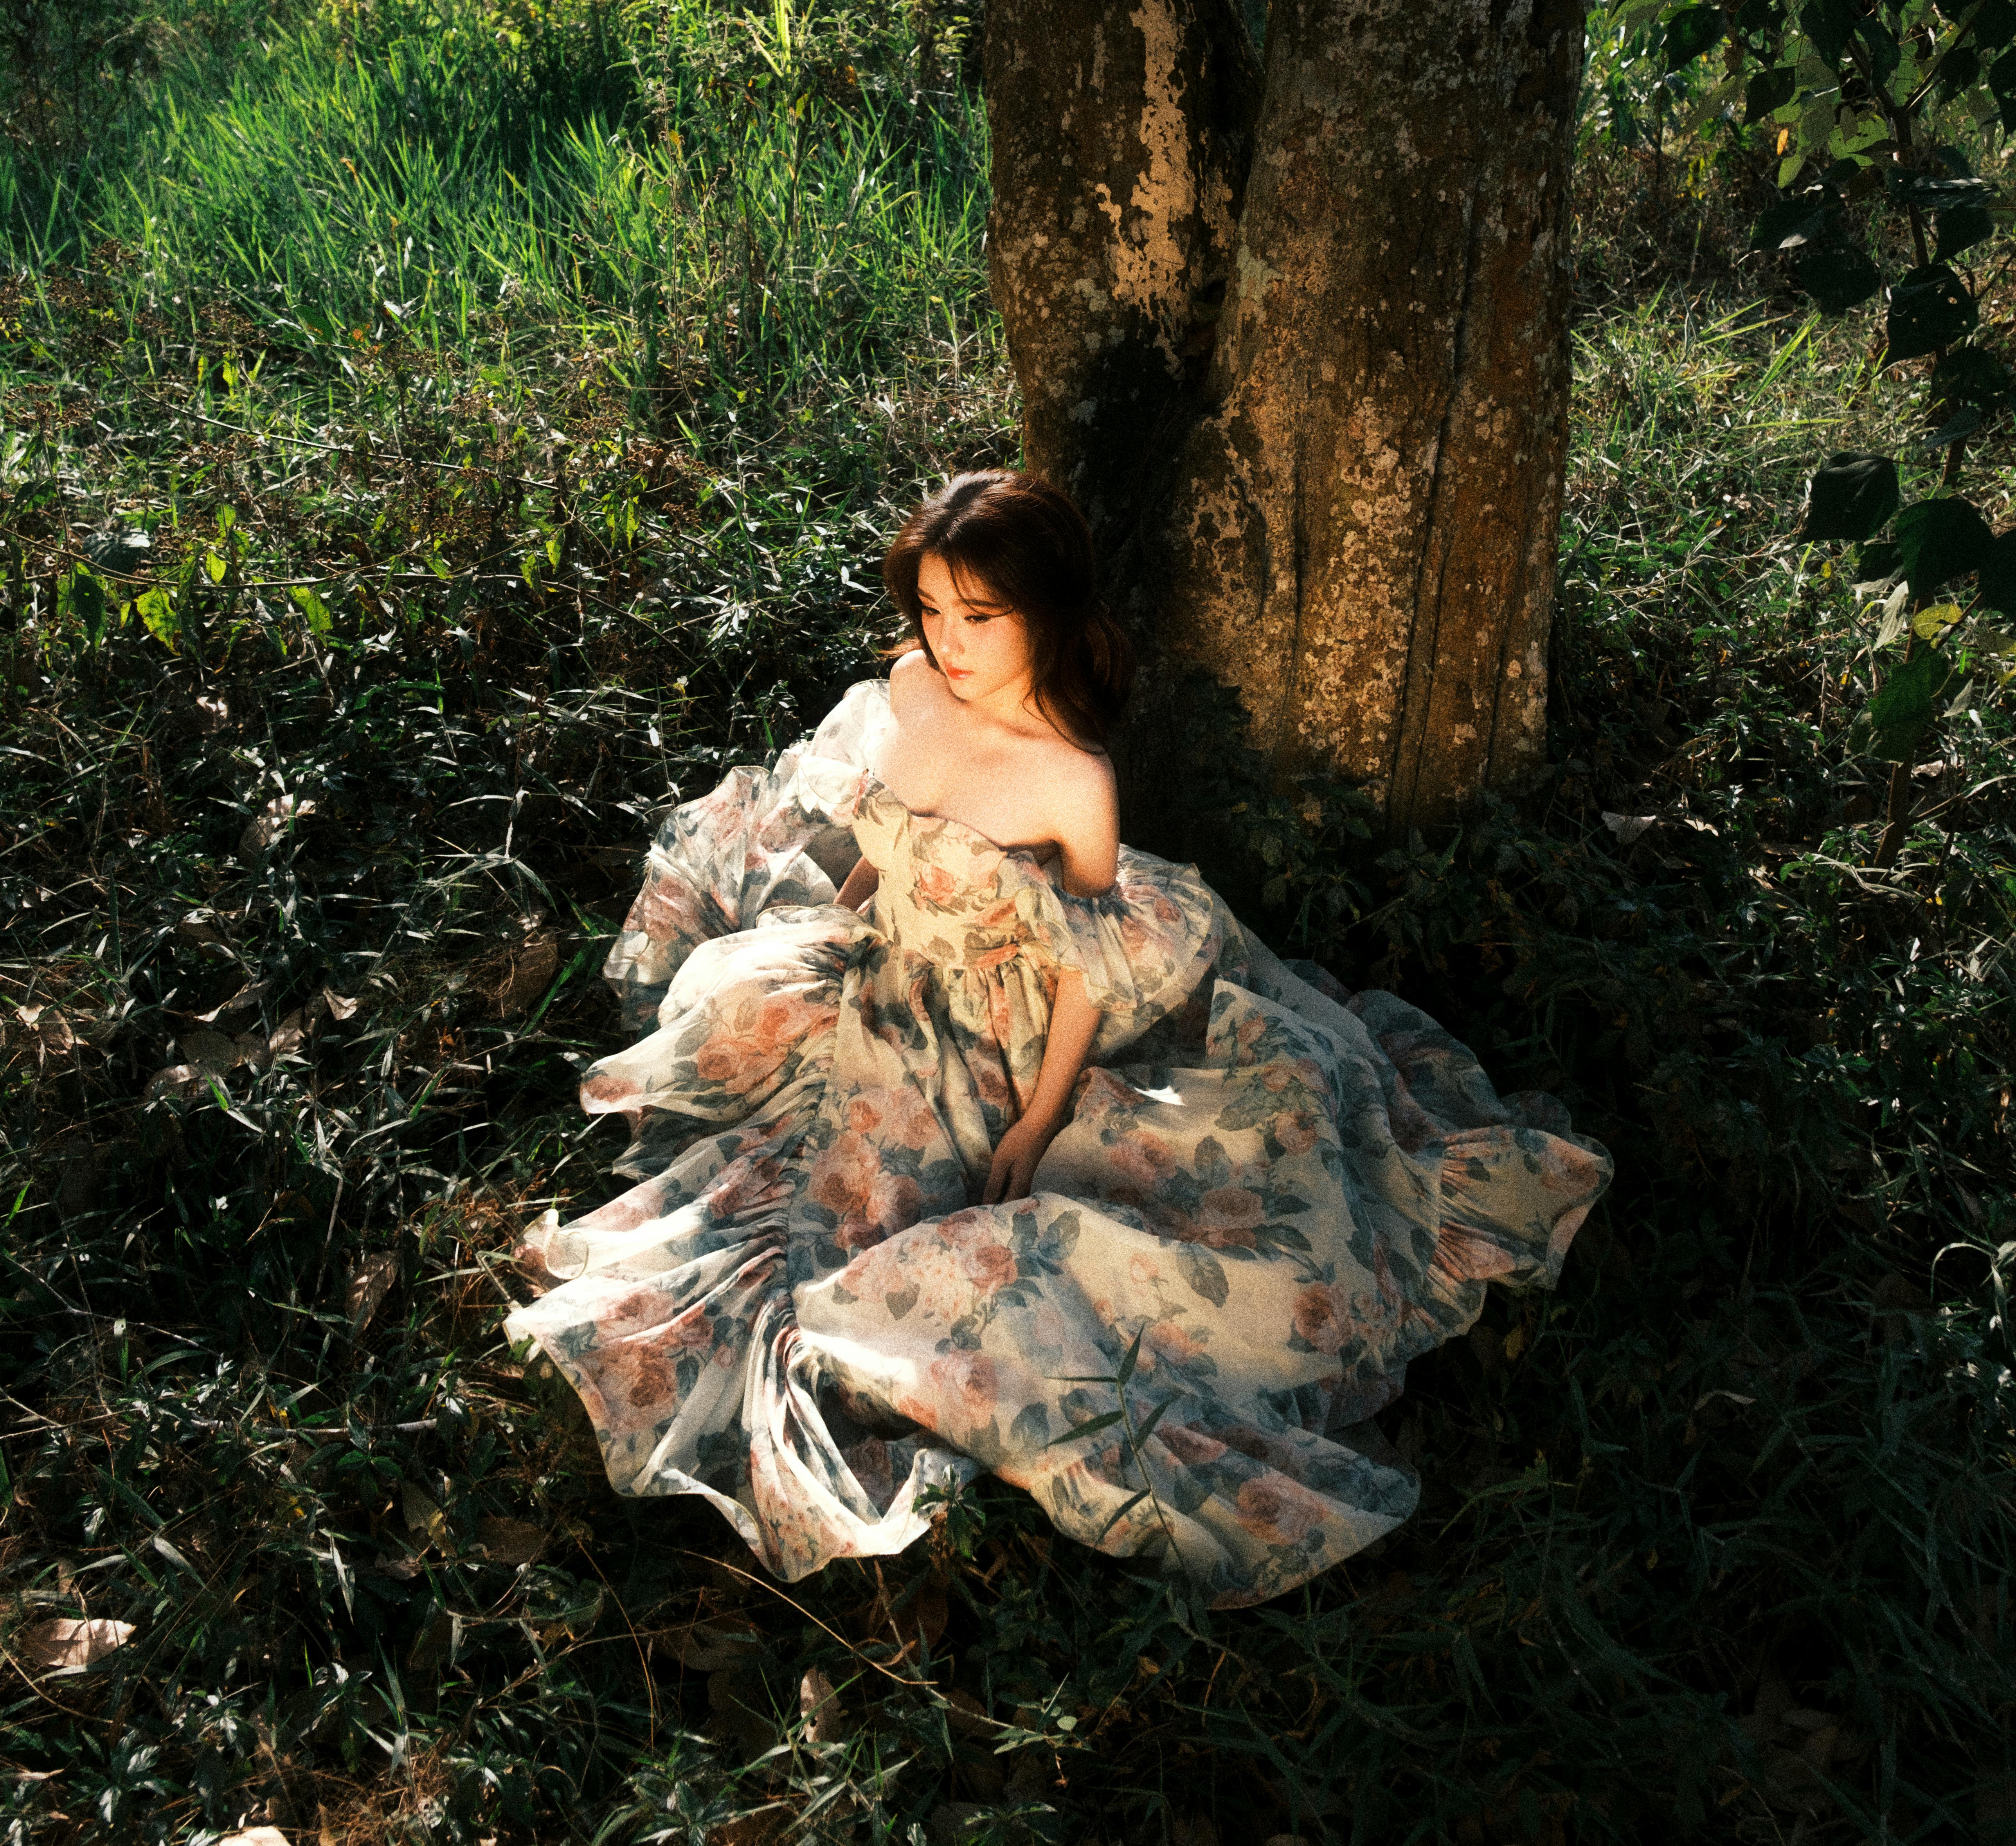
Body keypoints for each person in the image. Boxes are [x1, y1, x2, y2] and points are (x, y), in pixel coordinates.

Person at [507, 470, 1610, 1608]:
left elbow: (1087, 960)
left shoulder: (1072, 781)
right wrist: (842, 935)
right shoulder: (910, 688)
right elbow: (886, 846)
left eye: (979, 617)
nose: (950, 642)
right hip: (888, 966)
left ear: (1049, 614)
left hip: (995, 1016)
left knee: (908, 1241)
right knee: (755, 1069)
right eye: (932, 610)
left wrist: (1041, 1114)